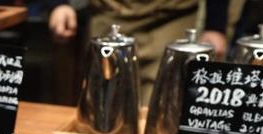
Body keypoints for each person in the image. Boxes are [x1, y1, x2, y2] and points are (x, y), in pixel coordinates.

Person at [49, 0, 230, 102]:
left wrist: (216, 25)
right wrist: (58, 3)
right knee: (103, 100)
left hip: (171, 17)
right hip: (109, 13)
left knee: (160, 102)